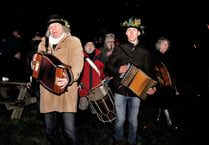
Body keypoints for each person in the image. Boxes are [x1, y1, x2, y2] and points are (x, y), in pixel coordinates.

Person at [31, 14, 84, 145]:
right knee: (50, 131)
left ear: (63, 27)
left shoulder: (74, 41)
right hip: (47, 94)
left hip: (66, 92)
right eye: (50, 26)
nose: (53, 28)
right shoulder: (44, 43)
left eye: (56, 25)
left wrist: (69, 78)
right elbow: (37, 67)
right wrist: (33, 63)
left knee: (69, 131)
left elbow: (78, 65)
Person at [106, 16, 156, 145]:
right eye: (129, 30)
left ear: (139, 32)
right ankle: (118, 139)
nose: (131, 33)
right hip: (120, 91)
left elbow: (149, 71)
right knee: (120, 120)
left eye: (134, 30)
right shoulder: (120, 48)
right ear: (126, 33)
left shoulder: (144, 51)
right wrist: (118, 70)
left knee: (133, 120)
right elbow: (109, 66)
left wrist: (152, 86)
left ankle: (132, 141)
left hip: (137, 92)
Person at [152, 37, 179, 130]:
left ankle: (158, 118)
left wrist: (175, 87)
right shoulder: (155, 55)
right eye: (165, 44)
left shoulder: (167, 56)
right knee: (164, 102)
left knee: (162, 102)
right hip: (159, 84)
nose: (166, 46)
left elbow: (170, 72)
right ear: (159, 45)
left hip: (167, 84)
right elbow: (154, 70)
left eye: (167, 45)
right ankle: (169, 122)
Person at [78, 40, 109, 113]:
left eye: (91, 44)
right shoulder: (80, 56)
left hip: (96, 88)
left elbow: (105, 70)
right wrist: (78, 82)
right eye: (88, 45)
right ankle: (84, 122)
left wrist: (106, 78)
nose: (90, 47)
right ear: (84, 46)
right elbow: (76, 71)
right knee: (83, 107)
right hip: (84, 87)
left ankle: (94, 122)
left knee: (95, 110)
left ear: (94, 46)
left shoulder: (100, 56)